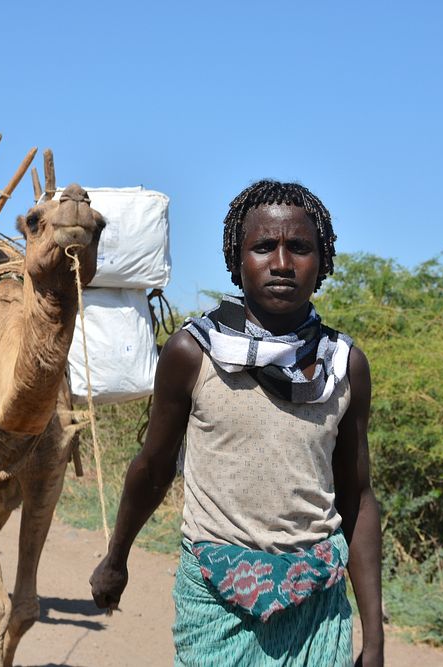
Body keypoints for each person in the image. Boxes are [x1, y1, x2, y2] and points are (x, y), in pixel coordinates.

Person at [90, 180, 384, 666]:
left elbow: (357, 495)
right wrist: (116, 557)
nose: (283, 263)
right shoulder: (193, 352)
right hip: (214, 596)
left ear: (323, 260)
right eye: (264, 247)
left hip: (317, 597)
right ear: (236, 260)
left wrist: (373, 640)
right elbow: (154, 465)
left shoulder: (344, 365)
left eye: (301, 248)